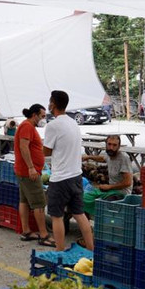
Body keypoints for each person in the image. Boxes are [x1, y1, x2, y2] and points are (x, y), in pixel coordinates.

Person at [44, 90, 94, 251]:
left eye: (50, 101)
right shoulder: (74, 123)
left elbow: (47, 152)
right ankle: (91, 249)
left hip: (60, 179)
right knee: (79, 214)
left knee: (56, 216)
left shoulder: (52, 125)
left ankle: (59, 250)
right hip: (76, 176)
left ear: (53, 104)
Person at [14, 104, 54, 247]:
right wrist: (31, 167)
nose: (43, 119)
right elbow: (23, 147)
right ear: (35, 115)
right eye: (42, 116)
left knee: (24, 201)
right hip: (28, 172)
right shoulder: (27, 127)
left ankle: (26, 231)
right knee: (39, 203)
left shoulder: (28, 126)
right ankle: (43, 235)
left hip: (24, 170)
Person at [81, 135, 134, 217]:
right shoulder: (109, 155)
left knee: (102, 205)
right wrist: (88, 157)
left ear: (119, 146)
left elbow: (128, 182)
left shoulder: (124, 159)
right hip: (110, 190)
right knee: (82, 198)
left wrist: (109, 187)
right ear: (105, 144)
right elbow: (102, 158)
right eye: (109, 144)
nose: (111, 147)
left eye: (114, 145)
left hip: (121, 193)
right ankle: (85, 223)